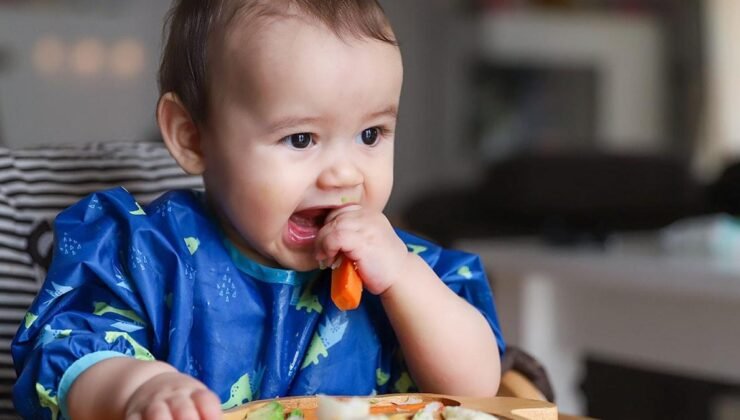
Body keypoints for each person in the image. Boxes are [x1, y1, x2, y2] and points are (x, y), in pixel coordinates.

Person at [12, 0, 505, 419]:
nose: (345, 175)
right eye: (300, 138)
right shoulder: (144, 256)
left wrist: (403, 279)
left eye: (370, 135)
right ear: (192, 137)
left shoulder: (404, 271)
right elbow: (70, 355)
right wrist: (137, 390)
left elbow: (479, 388)